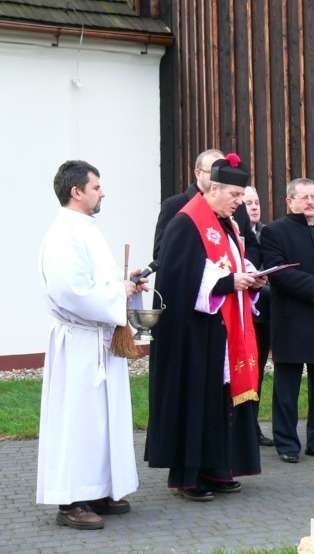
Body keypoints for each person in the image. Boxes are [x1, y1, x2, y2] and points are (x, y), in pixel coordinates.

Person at [146, 153, 267, 501]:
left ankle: (216, 466)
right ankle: (187, 475)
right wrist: (229, 282)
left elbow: (229, 261)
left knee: (217, 400)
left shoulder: (227, 222)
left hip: (221, 326)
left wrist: (249, 276)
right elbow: (179, 275)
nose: (239, 203)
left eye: (241, 197)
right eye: (234, 196)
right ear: (213, 188)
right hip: (192, 331)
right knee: (194, 398)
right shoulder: (187, 222)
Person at [37, 160, 147, 529]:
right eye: (97, 186)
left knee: (101, 421)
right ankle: (70, 500)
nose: (103, 192)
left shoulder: (85, 229)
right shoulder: (62, 234)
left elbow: (95, 281)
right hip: (80, 344)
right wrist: (119, 292)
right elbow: (71, 290)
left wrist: (124, 280)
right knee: (78, 421)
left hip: (99, 340)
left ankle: (98, 487)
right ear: (76, 191)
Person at [261, 178, 314, 462]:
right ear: (290, 201)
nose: (311, 202)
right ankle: (287, 443)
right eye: (304, 197)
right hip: (292, 319)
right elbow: (277, 271)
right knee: (287, 387)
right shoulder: (275, 232)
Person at [152, 148, 259, 265]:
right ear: (198, 173)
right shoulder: (175, 206)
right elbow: (162, 253)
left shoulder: (237, 207)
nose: (219, 176)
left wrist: (245, 268)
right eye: (213, 171)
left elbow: (251, 246)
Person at [244, 186, 274, 447]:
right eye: (247, 202)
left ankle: (252, 425)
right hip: (243, 315)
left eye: (256, 202)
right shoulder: (235, 234)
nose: (254, 207)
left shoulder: (268, 234)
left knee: (258, 372)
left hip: (264, 315)